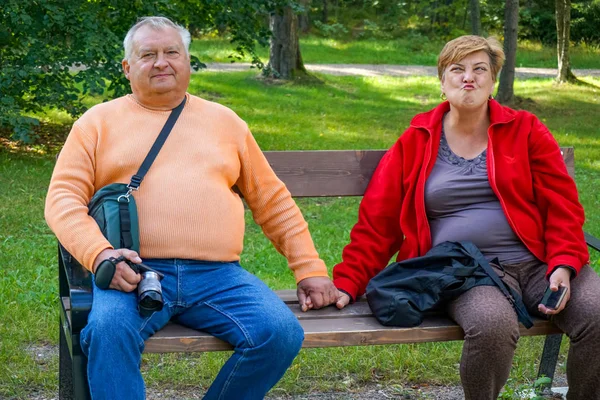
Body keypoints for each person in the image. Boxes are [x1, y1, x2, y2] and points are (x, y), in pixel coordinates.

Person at [45, 16, 338, 400]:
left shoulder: (225, 122)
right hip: (134, 273)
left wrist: (310, 270)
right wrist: (102, 256)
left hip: (218, 277)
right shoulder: (96, 123)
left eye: (172, 52)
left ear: (187, 60)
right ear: (127, 67)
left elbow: (273, 201)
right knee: (108, 330)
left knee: (278, 333)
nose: (161, 62)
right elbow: (62, 200)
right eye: (147, 54)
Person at [332, 35, 600, 400]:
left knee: (598, 313)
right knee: (490, 325)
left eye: (479, 69)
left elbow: (563, 205)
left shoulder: (525, 130)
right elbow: (378, 223)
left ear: (493, 81)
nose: (468, 78)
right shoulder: (416, 141)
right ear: (442, 82)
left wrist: (565, 265)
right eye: (457, 70)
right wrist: (348, 282)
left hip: (538, 262)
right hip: (467, 271)